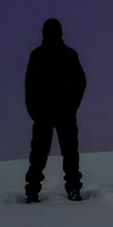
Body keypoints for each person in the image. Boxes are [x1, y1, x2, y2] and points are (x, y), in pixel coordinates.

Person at [23, 17, 87, 202]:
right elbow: (81, 82)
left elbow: (29, 85)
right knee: (66, 153)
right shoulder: (66, 54)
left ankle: (33, 191)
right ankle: (71, 189)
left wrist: (34, 110)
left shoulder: (39, 54)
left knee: (42, 154)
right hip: (56, 113)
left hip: (49, 113)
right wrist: (72, 105)